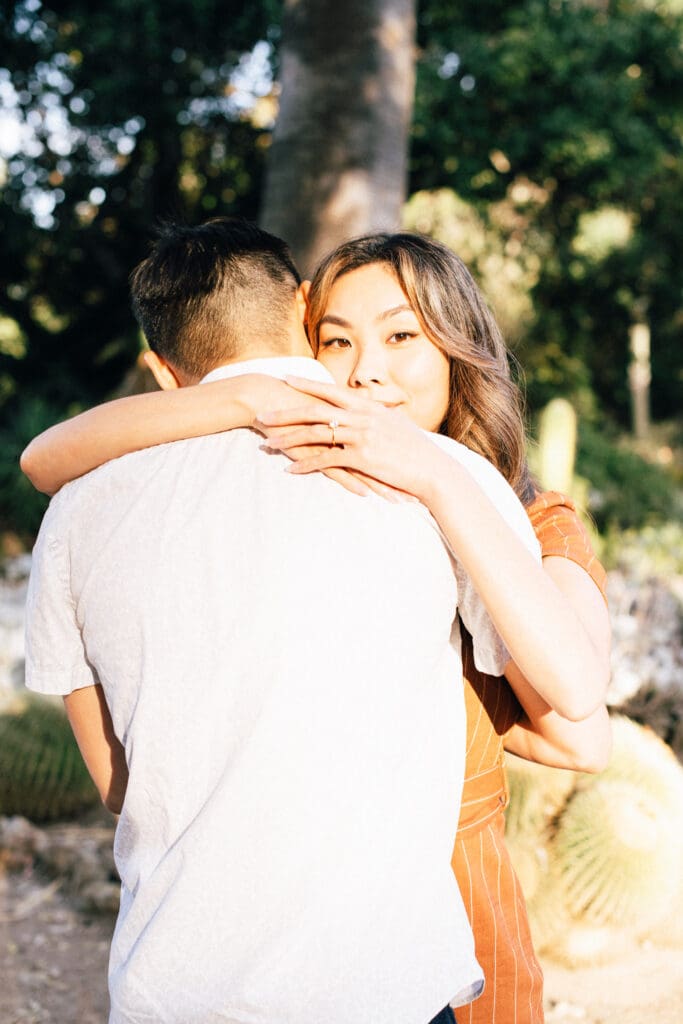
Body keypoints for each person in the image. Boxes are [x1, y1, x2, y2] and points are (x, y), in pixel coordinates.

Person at [22, 227, 611, 1024]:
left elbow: (119, 786)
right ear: (301, 319)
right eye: (338, 339)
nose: (366, 369)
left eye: (402, 336)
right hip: (381, 984)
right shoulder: (423, 485)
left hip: (178, 984)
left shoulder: (79, 508)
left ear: (165, 375)